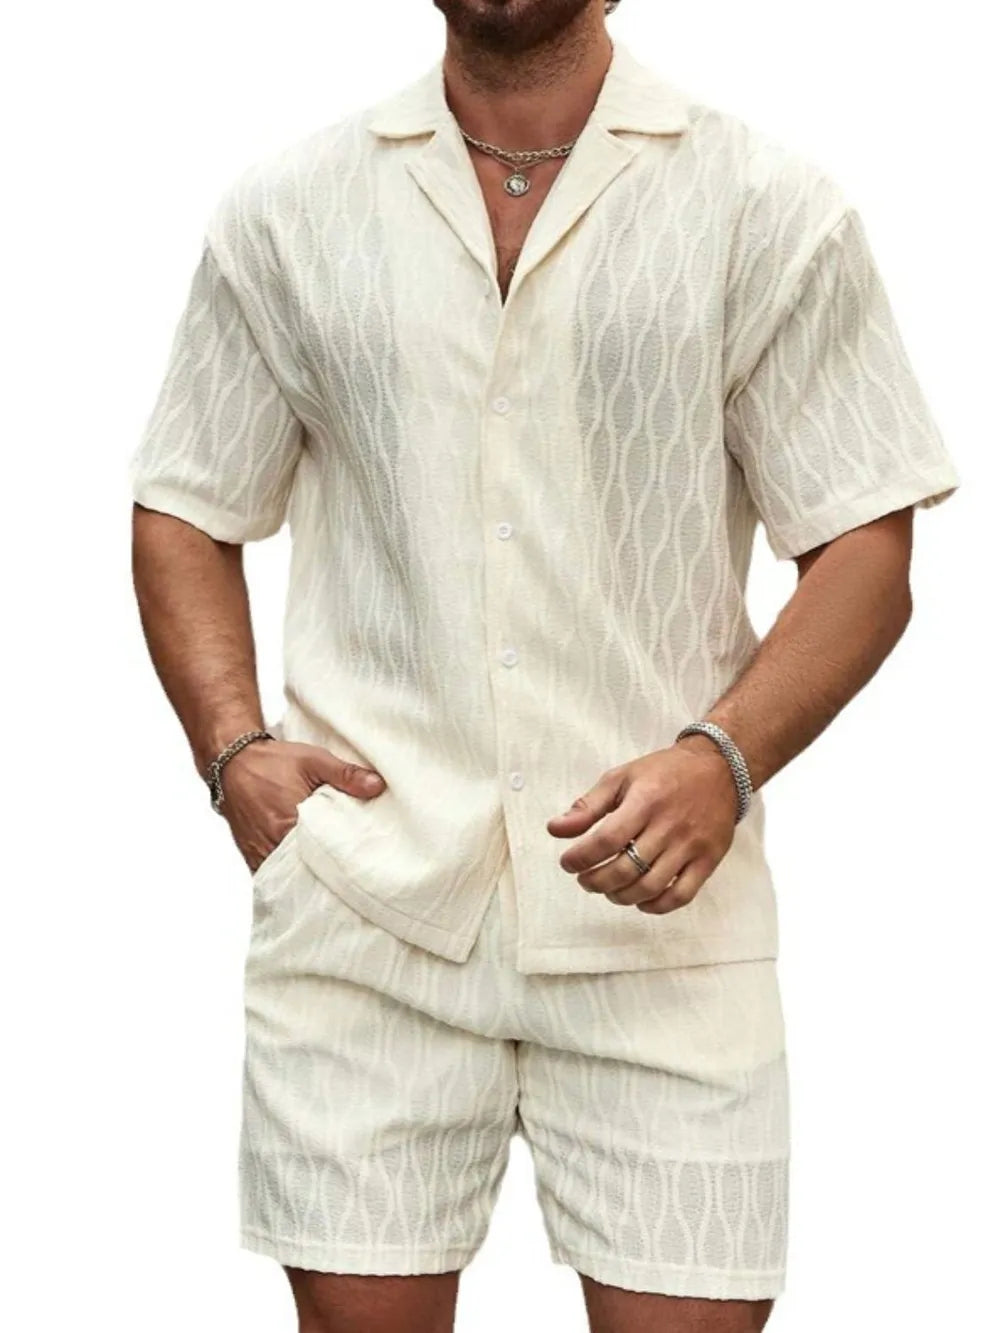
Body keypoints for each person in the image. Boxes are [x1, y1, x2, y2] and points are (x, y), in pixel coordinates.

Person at [128, 1, 961, 1329]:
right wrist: (233, 754)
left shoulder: (763, 205)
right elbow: (185, 501)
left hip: (665, 928)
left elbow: (865, 539)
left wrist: (723, 760)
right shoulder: (289, 210)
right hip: (367, 915)